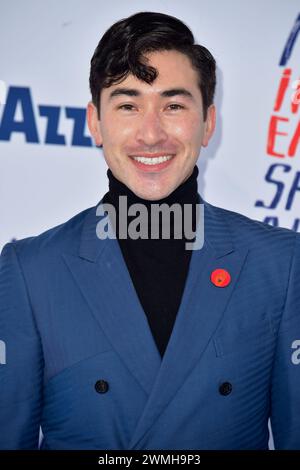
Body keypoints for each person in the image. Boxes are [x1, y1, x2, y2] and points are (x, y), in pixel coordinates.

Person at [0, 11, 299, 450]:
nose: (151, 133)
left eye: (173, 105)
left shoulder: (281, 264)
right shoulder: (30, 270)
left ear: (208, 122)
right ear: (95, 123)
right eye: (128, 105)